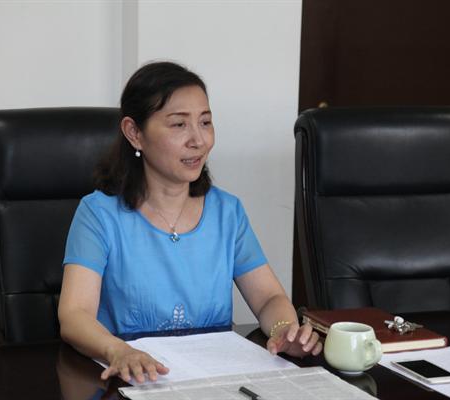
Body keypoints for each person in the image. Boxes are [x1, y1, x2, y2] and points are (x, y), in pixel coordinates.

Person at [58, 61, 322, 384]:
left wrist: (284, 331)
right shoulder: (99, 214)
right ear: (134, 133)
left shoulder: (227, 212)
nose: (199, 139)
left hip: (213, 383)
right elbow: (74, 315)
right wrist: (119, 351)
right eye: (179, 125)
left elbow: (269, 298)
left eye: (205, 122)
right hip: (132, 383)